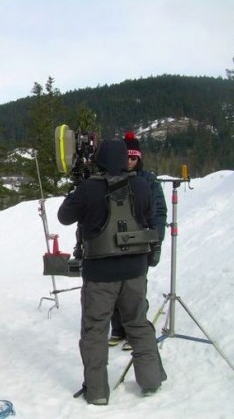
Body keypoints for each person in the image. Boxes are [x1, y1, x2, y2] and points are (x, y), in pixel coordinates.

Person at [58, 139, 167, 405]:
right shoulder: (142, 185)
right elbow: (149, 215)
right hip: (135, 269)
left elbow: (64, 216)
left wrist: (79, 193)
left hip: (100, 273)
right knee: (138, 323)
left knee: (95, 330)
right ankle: (150, 379)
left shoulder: (89, 189)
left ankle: (97, 392)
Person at [109, 131, 168, 350]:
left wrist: (157, 238)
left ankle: (135, 332)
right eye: (126, 157)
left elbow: (159, 210)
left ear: (139, 158)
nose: (130, 162)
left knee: (135, 290)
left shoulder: (148, 180)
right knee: (114, 287)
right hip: (115, 241)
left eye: (133, 158)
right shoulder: (112, 178)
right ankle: (118, 329)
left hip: (140, 241)